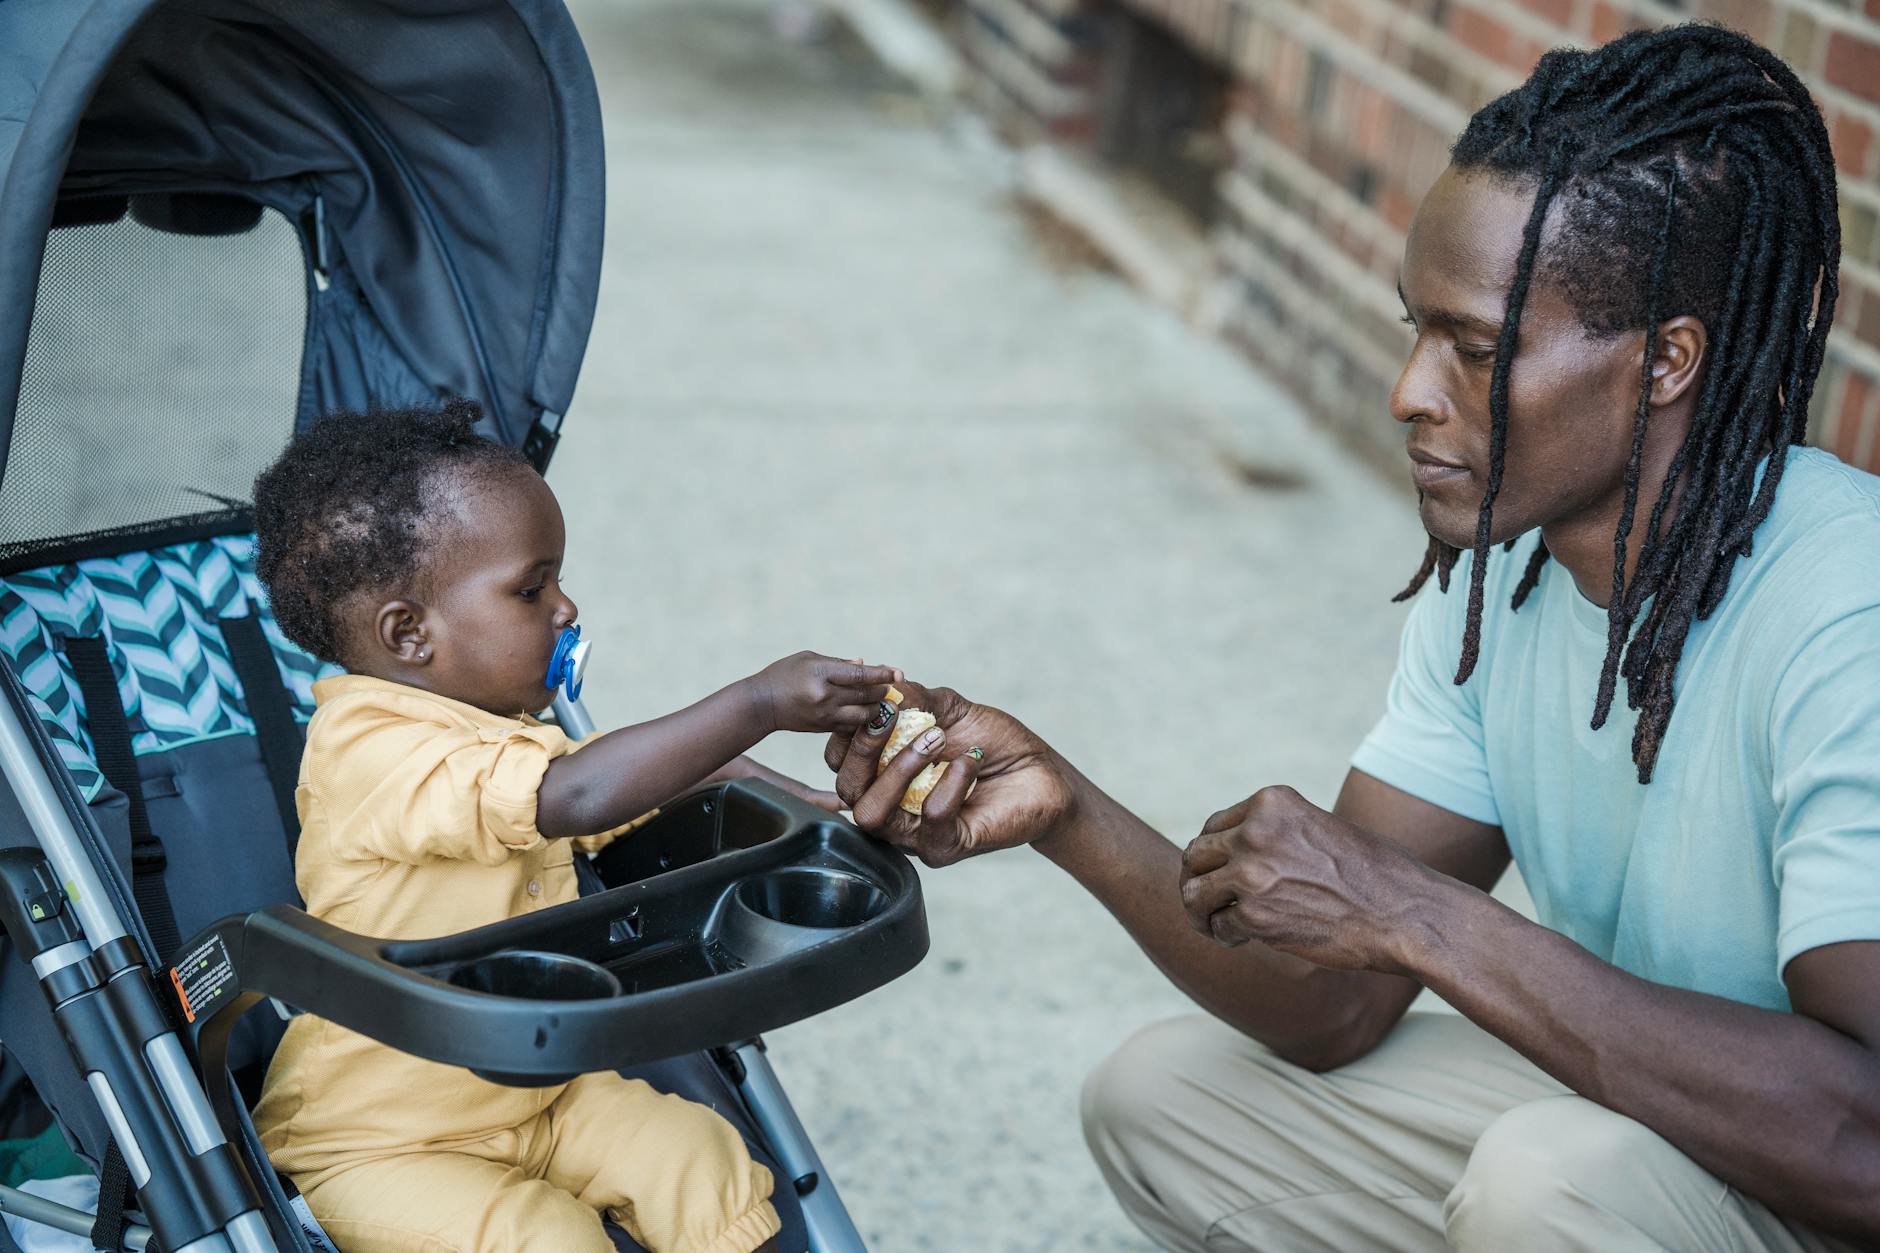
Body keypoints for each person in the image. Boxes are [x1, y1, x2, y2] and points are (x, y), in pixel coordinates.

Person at [827, 23, 1880, 1253]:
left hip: (1813, 1181)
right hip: (1662, 1142)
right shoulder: (1506, 573)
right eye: (1414, 332)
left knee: (1544, 1182)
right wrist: (1062, 809)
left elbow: (1860, 1139)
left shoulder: (1844, 610)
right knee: (1166, 1098)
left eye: (1472, 349)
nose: (1408, 392)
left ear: (1663, 361)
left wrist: (1420, 915)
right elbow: (1331, 1001)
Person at [246, 402, 900, 1253]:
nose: (566, 606)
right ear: (410, 632)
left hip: (539, 1090)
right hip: (384, 1139)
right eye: (531, 589)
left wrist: (809, 812)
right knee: (548, 1239)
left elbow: (631, 789)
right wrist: (758, 701)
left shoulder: (495, 733)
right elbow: (577, 796)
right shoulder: (367, 749)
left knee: (701, 1162)